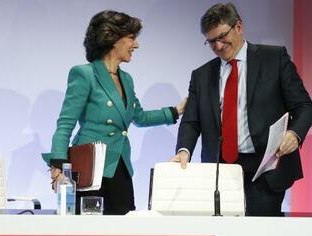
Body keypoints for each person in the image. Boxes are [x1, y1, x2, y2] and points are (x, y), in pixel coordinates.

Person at [171, 3, 312, 216]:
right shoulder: (201, 75)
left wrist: (295, 134)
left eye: (221, 37)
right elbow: (191, 121)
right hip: (220, 170)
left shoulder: (274, 59)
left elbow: (303, 106)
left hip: (265, 167)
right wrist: (184, 151)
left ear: (238, 27)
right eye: (211, 42)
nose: (217, 46)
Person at [42, 10, 187, 215]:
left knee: (124, 233)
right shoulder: (85, 74)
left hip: (120, 167)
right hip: (91, 170)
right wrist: (58, 167)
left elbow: (139, 117)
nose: (136, 45)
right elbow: (65, 123)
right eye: (131, 38)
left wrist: (176, 111)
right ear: (112, 38)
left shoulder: (126, 79)